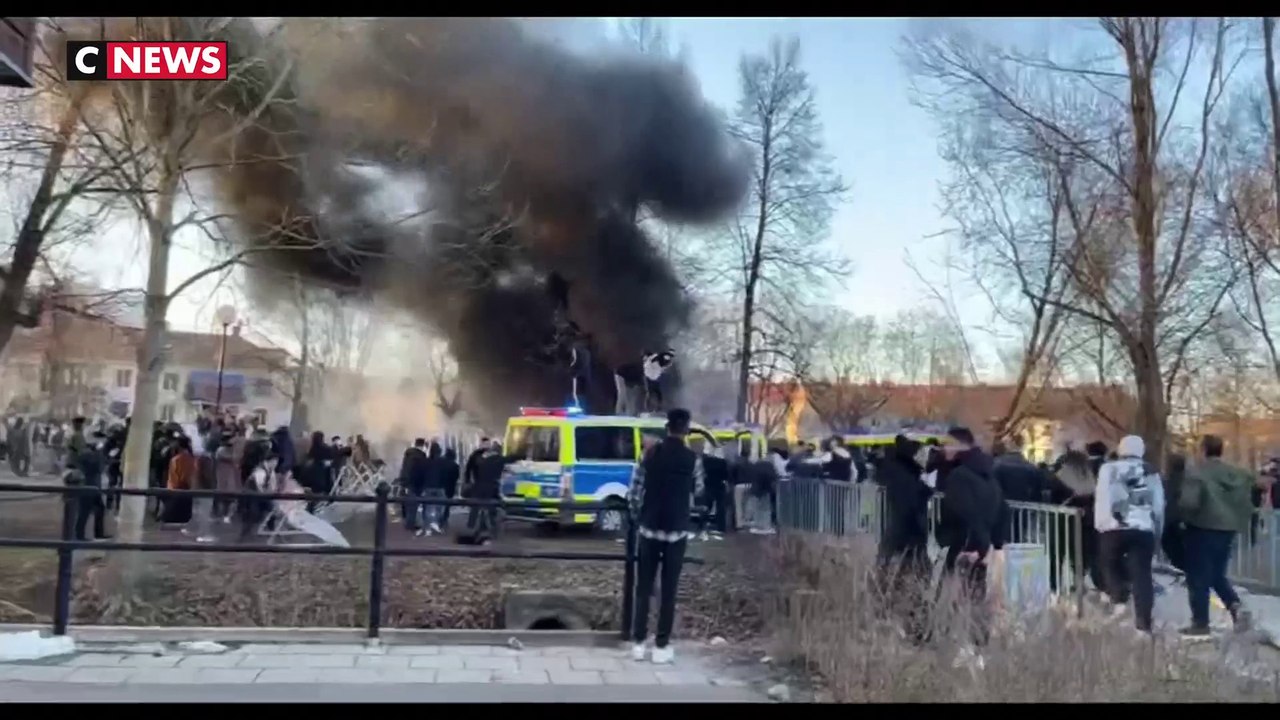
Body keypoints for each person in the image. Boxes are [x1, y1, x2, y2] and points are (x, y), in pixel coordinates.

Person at [628, 408, 704, 665]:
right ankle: (661, 646)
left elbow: (634, 493)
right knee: (669, 591)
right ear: (685, 431)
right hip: (676, 530)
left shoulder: (649, 454)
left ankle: (638, 643)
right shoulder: (692, 459)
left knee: (643, 588)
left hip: (649, 529)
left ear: (667, 428)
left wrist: (638, 515)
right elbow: (699, 491)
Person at [1177, 435, 1255, 636]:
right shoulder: (1236, 474)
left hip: (1202, 528)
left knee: (1198, 577)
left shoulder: (1197, 473)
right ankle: (1235, 606)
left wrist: (1183, 519)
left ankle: (1200, 622)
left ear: (1203, 450)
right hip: (1228, 529)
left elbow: (1190, 503)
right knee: (1217, 574)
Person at [935, 426, 1004, 646]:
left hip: (964, 544)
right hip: (981, 544)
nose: (943, 449)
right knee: (975, 594)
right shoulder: (988, 474)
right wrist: (994, 542)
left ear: (958, 444)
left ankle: (960, 643)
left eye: (947, 444)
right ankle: (978, 642)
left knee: (953, 594)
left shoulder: (958, 476)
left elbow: (964, 511)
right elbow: (1001, 509)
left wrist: (972, 544)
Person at [1094, 435, 1164, 633]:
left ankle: (1118, 598)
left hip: (1114, 527)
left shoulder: (1108, 468)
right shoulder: (1151, 471)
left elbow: (1103, 497)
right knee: (1142, 574)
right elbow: (1158, 504)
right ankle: (1143, 624)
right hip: (1143, 528)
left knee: (1107, 562)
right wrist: (1157, 528)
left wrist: (1101, 523)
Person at [876, 434, 933, 642]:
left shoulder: (896, 470)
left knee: (898, 581)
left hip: (898, 537)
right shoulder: (905, 475)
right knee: (914, 583)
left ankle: (901, 625)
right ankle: (915, 629)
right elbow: (909, 502)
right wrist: (926, 491)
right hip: (907, 538)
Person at [68, 431, 111, 541]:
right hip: (87, 485)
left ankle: (98, 533)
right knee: (84, 511)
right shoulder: (88, 454)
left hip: (94, 486)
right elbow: (98, 468)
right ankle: (79, 535)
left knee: (99, 509)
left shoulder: (90, 453)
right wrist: (101, 454)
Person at [162, 434, 197, 524]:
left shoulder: (177, 459)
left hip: (176, 493)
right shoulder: (191, 458)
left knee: (173, 522)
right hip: (185, 493)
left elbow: (181, 478)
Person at [399, 438, 430, 533]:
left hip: (405, 480)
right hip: (415, 482)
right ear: (423, 445)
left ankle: (409, 522)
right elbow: (421, 470)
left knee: (408, 503)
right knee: (413, 504)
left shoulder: (408, 454)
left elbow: (405, 468)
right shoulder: (421, 456)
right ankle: (410, 524)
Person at [441, 447, 461, 528]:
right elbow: (456, 476)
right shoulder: (455, 465)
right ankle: (445, 518)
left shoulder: (441, 463)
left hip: (441, 485)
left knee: (439, 503)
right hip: (450, 486)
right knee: (447, 504)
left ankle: (439, 518)